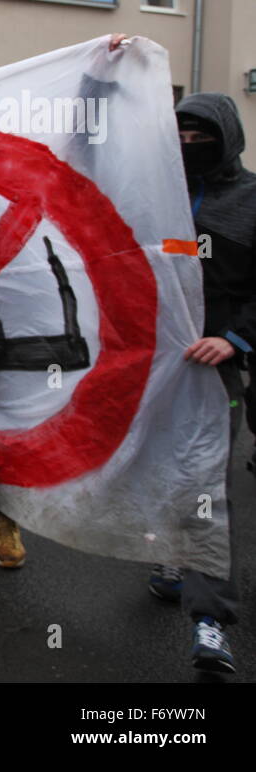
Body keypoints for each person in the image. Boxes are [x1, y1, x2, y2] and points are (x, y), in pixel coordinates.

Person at [144, 90, 248, 674]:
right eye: (178, 138)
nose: (188, 149)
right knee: (155, 467)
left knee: (207, 482)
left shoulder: (252, 201)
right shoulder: (157, 195)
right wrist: (102, 75)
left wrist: (235, 339)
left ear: (226, 139)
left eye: (200, 138)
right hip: (151, 366)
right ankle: (168, 558)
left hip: (215, 368)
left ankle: (211, 622)